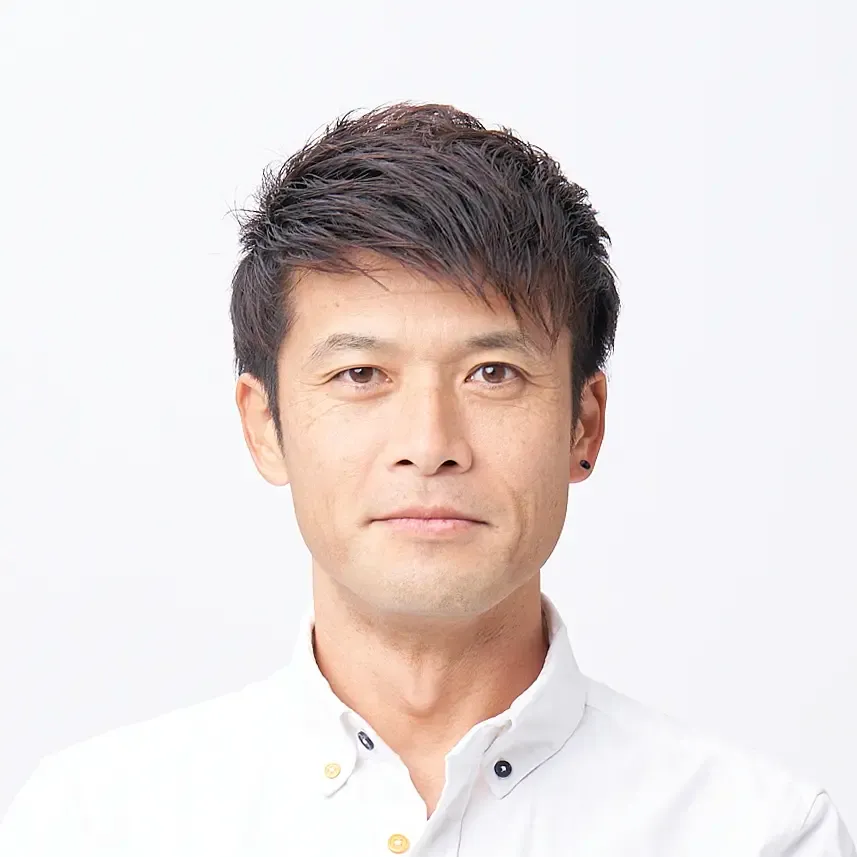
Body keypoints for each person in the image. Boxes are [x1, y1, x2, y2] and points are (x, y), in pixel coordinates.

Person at [1, 101, 853, 856]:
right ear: (264, 425)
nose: (429, 445)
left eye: (492, 373)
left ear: (583, 424)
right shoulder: (93, 828)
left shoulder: (756, 835)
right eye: (360, 375)